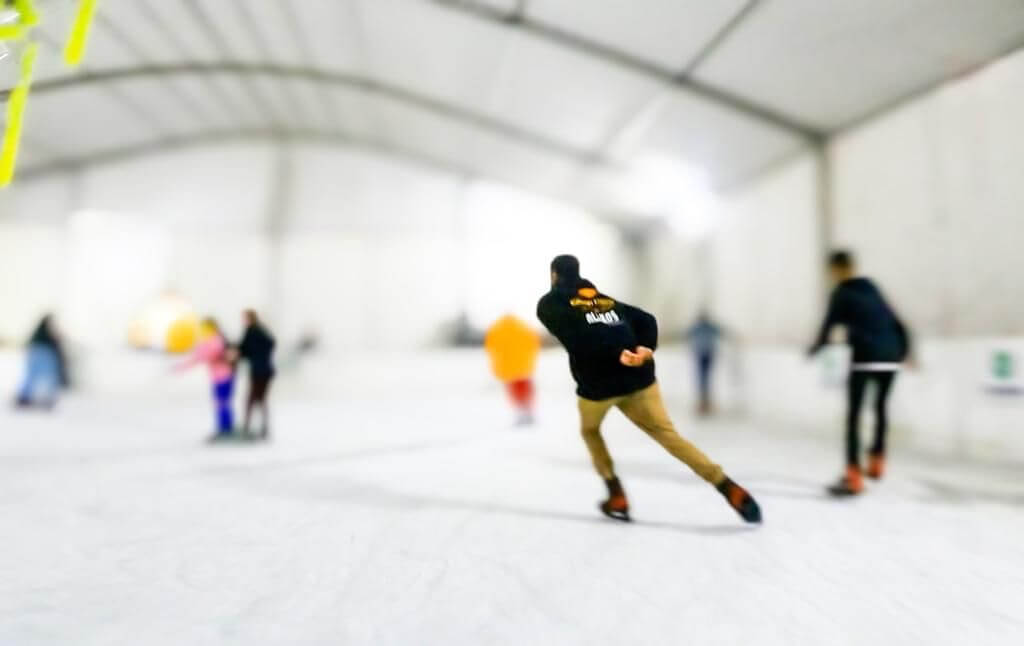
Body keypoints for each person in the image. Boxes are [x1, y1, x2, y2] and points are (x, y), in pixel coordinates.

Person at [537, 255, 761, 523]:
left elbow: (578, 338)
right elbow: (645, 319)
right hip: (639, 378)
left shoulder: (550, 305)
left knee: (590, 430)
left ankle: (615, 492)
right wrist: (644, 348)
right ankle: (727, 485)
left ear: (553, 275)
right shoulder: (604, 300)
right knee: (669, 437)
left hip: (599, 387)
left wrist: (616, 354)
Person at [808, 250, 912, 496]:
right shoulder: (872, 288)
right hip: (892, 354)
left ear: (836, 269)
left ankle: (854, 475)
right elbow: (896, 321)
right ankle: (877, 460)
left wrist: (815, 348)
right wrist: (904, 351)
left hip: (866, 355)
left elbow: (828, 327)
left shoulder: (841, 293)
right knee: (880, 407)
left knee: (854, 415)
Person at [176, 318, 235, 440]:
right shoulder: (214, 340)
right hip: (220, 376)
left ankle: (225, 429)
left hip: (223, 376)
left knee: (222, 403)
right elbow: (199, 356)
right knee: (221, 403)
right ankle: (224, 427)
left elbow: (201, 356)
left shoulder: (216, 340)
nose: (203, 331)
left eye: (205, 328)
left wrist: (182, 367)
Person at [484, 314, 541, 426]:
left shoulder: (497, 330)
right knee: (526, 391)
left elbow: (491, 348)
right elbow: (533, 343)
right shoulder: (523, 328)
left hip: (508, 368)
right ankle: (528, 412)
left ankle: (521, 412)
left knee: (515, 392)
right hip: (523, 366)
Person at [236, 309, 276, 439]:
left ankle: (248, 428)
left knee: (252, 399)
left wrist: (238, 353)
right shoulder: (260, 330)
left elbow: (244, 349)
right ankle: (262, 428)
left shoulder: (253, 331)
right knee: (259, 399)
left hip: (259, 370)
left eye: (245, 318)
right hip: (265, 370)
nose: (243, 321)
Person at [14, 314, 68, 409]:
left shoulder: (40, 330)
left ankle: (25, 397)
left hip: (36, 352)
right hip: (44, 353)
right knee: (48, 376)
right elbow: (55, 340)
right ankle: (39, 397)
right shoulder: (46, 329)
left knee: (33, 375)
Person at [686, 311, 725, 416]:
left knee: (704, 377)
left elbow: (687, 335)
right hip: (704, 354)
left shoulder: (700, 327)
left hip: (705, 354)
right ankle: (703, 401)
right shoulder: (701, 327)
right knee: (703, 377)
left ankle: (704, 401)